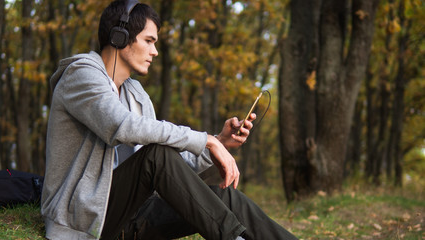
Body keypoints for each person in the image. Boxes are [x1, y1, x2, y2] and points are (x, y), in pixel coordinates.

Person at [41, 0, 298, 239]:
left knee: (226, 196)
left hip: (132, 218)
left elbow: (171, 171)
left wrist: (219, 141)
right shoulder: (81, 75)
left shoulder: (136, 94)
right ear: (119, 37)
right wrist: (206, 140)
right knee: (156, 155)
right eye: (149, 41)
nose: (154, 52)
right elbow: (122, 127)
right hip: (84, 220)